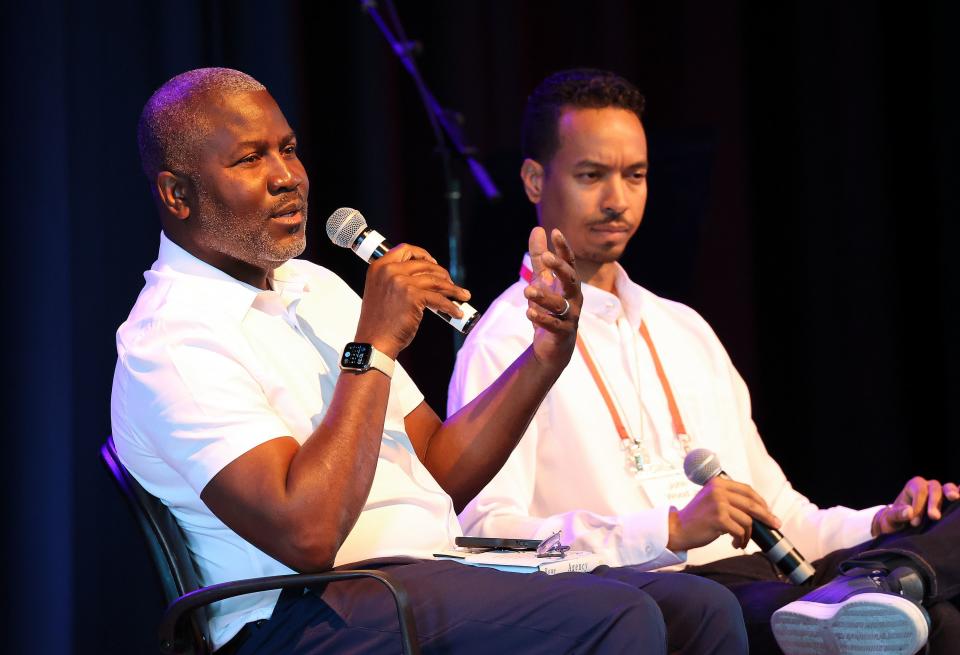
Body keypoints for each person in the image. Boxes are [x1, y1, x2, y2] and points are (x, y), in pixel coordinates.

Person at [111, 67, 749, 655]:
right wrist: (375, 347)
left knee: (699, 608)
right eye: (251, 158)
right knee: (617, 617)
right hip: (300, 615)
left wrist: (542, 358)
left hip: (421, 576)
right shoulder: (171, 342)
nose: (289, 176)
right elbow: (306, 537)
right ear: (177, 194)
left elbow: (439, 472)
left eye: (289, 148)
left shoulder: (317, 287)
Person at [448, 68, 960, 655]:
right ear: (535, 180)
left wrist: (880, 525)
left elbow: (783, 513)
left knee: (944, 557)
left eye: (634, 175)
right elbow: (487, 534)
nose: (617, 200)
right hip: (662, 593)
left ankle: (891, 572)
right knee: (770, 610)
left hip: (768, 579)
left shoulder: (684, 328)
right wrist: (667, 531)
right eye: (592, 176)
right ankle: (876, 589)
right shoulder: (507, 339)